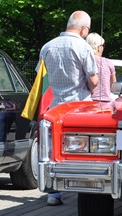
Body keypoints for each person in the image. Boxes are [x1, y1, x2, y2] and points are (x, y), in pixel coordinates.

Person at [39, 11, 99, 205]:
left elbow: (42, 77)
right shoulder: (83, 47)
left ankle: (53, 193)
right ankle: (85, 187)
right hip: (80, 108)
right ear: (83, 29)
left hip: (56, 106)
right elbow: (93, 80)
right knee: (83, 149)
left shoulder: (47, 47)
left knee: (54, 149)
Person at [86, 32, 116, 102]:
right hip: (105, 101)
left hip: (87, 100)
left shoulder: (83, 61)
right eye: (103, 45)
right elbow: (113, 83)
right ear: (99, 47)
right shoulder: (108, 62)